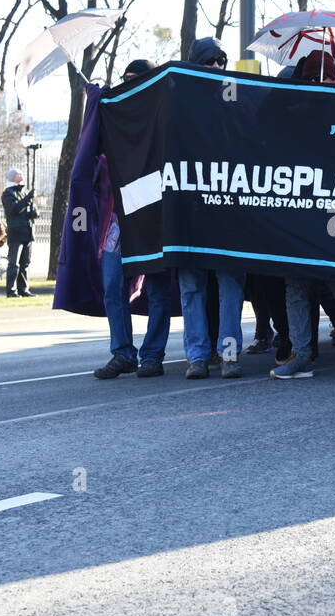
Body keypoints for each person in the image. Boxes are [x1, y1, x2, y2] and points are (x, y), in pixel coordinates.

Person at [272, 50, 335, 379]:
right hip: (298, 209)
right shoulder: (287, 113)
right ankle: (302, 352)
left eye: (328, 77)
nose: (322, 83)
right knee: (296, 284)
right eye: (315, 77)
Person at [93, 58, 175, 380]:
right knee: (112, 284)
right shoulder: (115, 116)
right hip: (120, 214)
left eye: (135, 80)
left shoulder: (162, 115)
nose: (129, 85)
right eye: (125, 80)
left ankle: (152, 355)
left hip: (154, 214)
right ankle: (122, 353)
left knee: (157, 289)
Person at [178, 37, 246, 379]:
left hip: (228, 213)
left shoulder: (237, 98)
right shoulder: (177, 101)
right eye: (209, 62)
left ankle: (229, 354)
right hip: (190, 212)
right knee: (192, 286)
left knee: (230, 283)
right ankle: (197, 357)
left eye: (221, 61)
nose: (217, 68)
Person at [1, 168, 38, 297]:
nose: (21, 174)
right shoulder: (8, 193)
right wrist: (27, 198)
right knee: (14, 263)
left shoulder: (24, 192)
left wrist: (33, 212)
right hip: (16, 232)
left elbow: (25, 211)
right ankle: (11, 290)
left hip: (27, 231)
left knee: (25, 263)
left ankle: (23, 289)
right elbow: (14, 209)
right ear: (12, 177)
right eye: (18, 173)